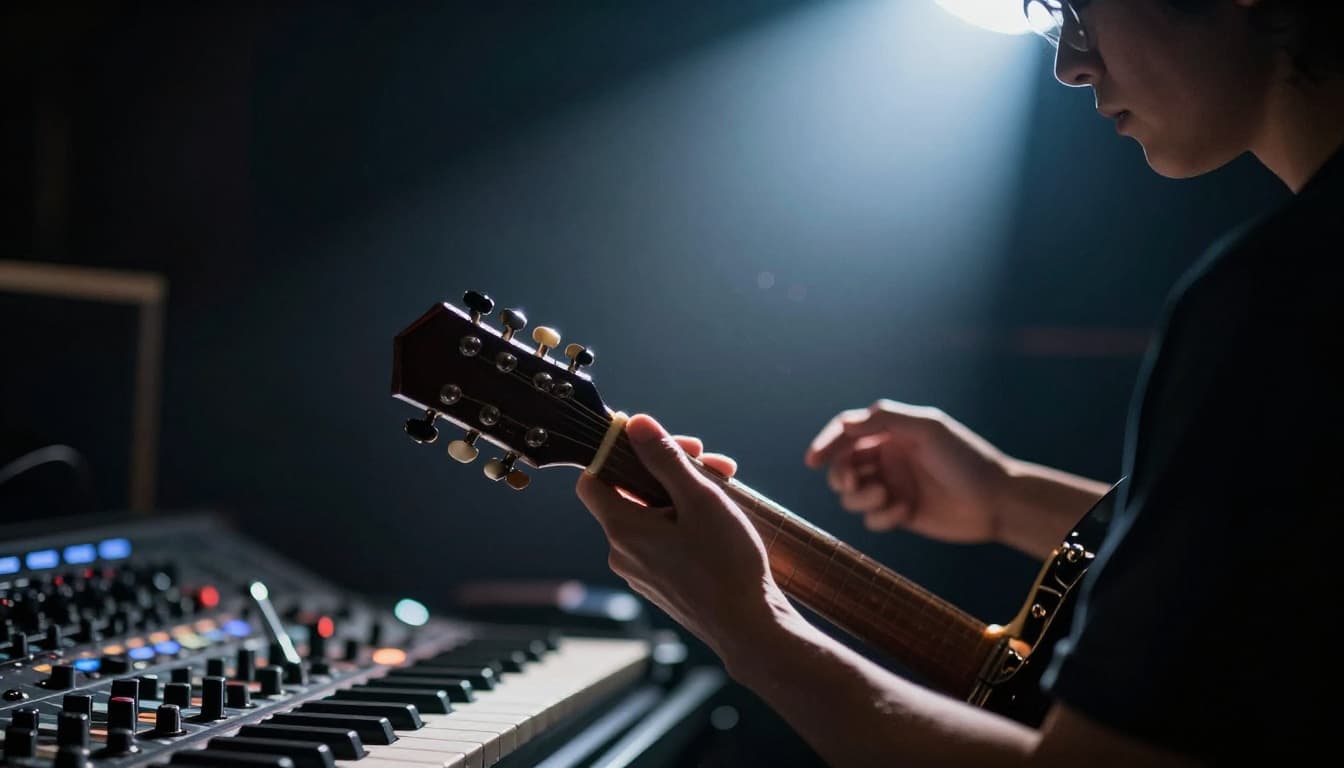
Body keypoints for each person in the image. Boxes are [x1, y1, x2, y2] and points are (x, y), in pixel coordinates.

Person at [576, 0, 1343, 765]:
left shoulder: (1280, 297)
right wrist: (1003, 497)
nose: (1070, 64)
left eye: (1080, 7)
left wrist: (750, 628)